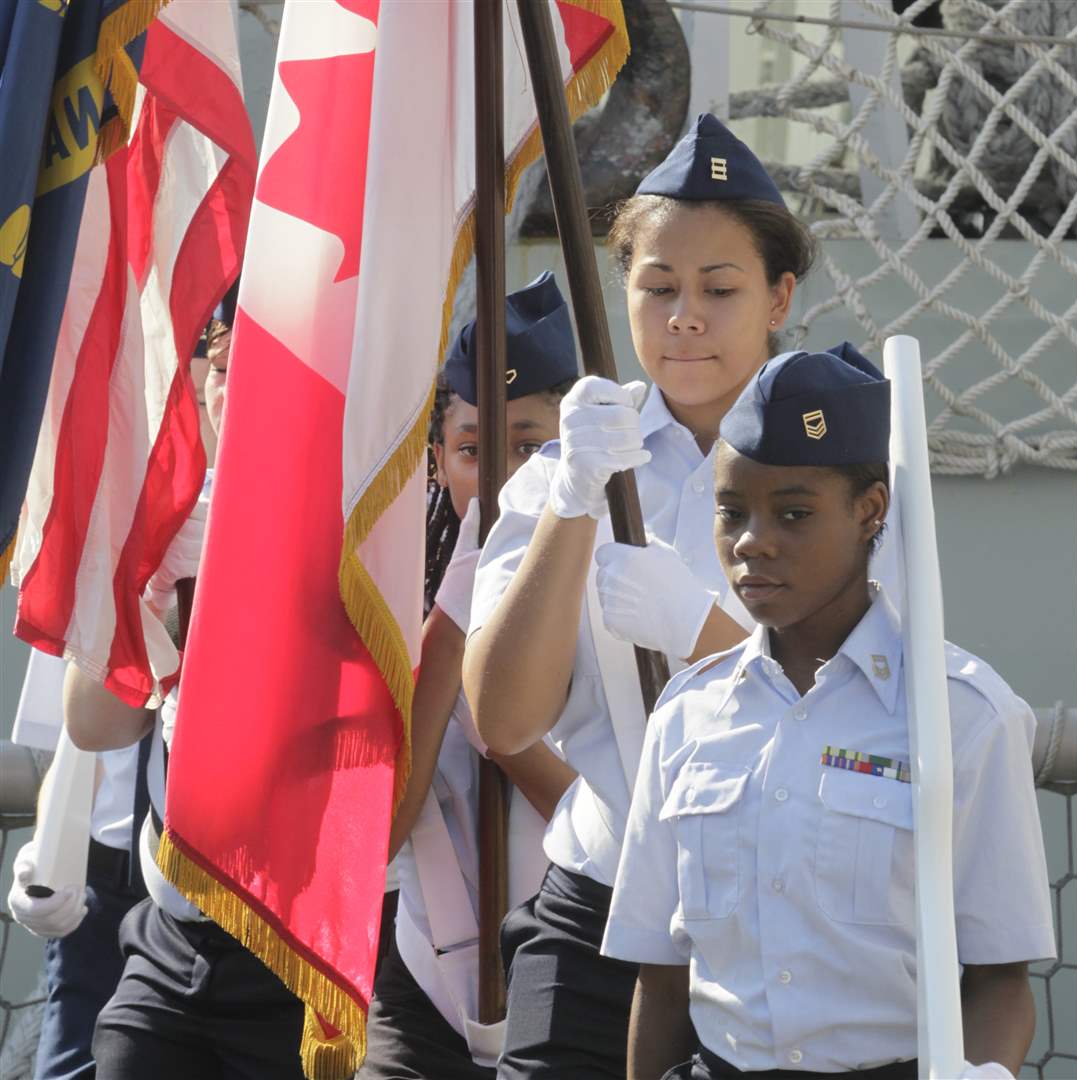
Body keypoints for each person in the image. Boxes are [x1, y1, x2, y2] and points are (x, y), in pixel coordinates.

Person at [462, 114, 823, 1078]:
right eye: (656, 287)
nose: (684, 317)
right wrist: (572, 504)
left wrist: (700, 631)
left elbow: (847, 713)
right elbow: (503, 715)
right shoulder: (576, 458)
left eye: (719, 288)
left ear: (780, 296)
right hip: (599, 909)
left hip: (776, 926)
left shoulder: (848, 471)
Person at [601, 347, 1056, 1080]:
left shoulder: (963, 715)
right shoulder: (689, 715)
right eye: (731, 512)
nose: (752, 542)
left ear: (870, 511)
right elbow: (660, 978)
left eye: (794, 513)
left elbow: (1000, 980)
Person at [63, 304, 309, 1080]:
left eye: (265, 372)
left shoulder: (358, 529)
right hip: (174, 933)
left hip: (300, 943)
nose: (235, 392)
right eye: (226, 368)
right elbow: (93, 724)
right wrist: (153, 593)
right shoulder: (170, 525)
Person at [361, 271, 579, 1079]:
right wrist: (448, 627)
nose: (501, 478)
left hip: (575, 973)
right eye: (471, 449)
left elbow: (618, 831)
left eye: (529, 446)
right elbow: (379, 829)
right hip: (421, 979)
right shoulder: (394, 606)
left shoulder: (619, 589)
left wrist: (501, 720)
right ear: (437, 460)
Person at [7, 652, 148, 1080]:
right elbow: (71, 743)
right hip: (101, 894)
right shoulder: (87, 582)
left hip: (237, 898)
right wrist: (46, 853)